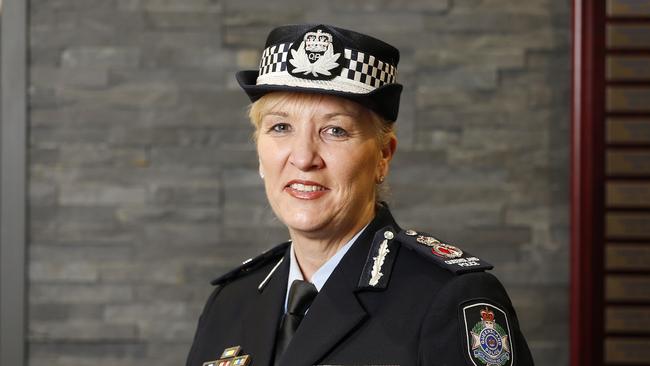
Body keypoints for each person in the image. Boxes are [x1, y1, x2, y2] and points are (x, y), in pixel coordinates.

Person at [186, 24, 534, 366]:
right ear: (259, 151)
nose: (304, 158)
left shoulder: (450, 298)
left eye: (335, 130)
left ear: (384, 156)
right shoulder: (231, 301)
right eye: (281, 127)